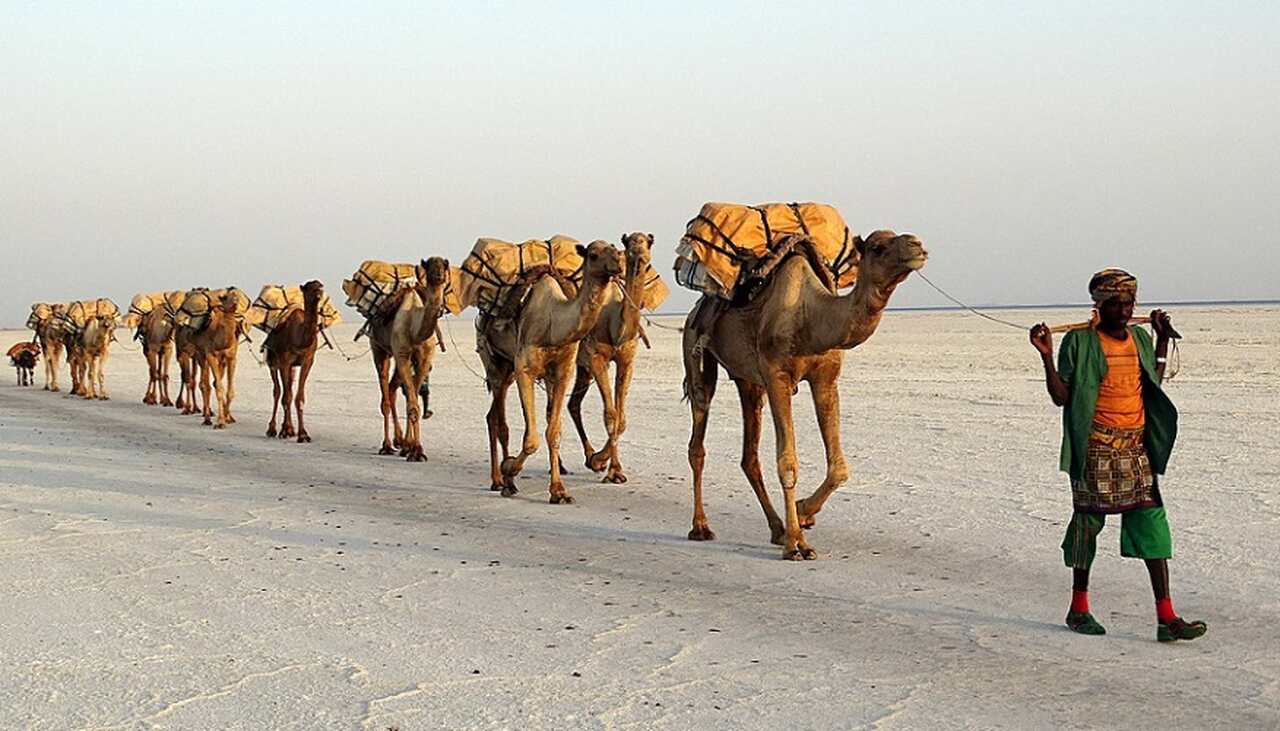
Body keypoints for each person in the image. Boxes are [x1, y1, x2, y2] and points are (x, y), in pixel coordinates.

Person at [1029, 268, 1207, 642]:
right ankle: (1078, 609)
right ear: (1099, 306)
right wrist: (1046, 357)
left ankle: (1167, 618)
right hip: (1096, 447)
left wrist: (1160, 339)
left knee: (1153, 525)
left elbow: (1153, 380)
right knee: (1088, 525)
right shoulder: (1078, 342)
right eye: (1116, 304)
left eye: (1129, 303)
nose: (1125, 311)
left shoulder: (1139, 337)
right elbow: (1062, 397)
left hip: (1136, 447)